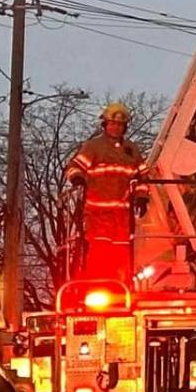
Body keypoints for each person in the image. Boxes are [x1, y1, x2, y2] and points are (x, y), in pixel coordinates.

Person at [62, 102, 146, 282]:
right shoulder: (93, 147)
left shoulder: (132, 150)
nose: (116, 128)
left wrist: (142, 197)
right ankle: (98, 285)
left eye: (120, 125)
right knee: (99, 251)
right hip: (98, 213)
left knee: (122, 252)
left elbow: (142, 176)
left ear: (125, 127)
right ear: (105, 125)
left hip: (122, 215)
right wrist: (77, 177)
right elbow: (74, 166)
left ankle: (121, 286)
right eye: (113, 124)